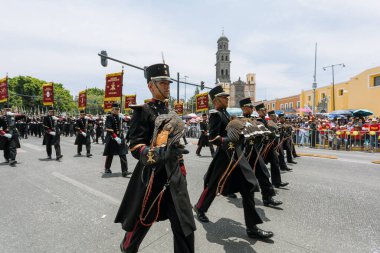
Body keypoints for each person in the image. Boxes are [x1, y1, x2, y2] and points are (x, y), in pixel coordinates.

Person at [115, 63, 195, 253]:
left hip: (174, 174)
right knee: (143, 218)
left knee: (185, 224)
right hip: (152, 175)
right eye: (162, 83)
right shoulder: (143, 111)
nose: (167, 86)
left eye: (168, 82)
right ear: (151, 85)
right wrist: (153, 153)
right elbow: (134, 145)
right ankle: (128, 246)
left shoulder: (170, 112)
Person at [194, 86, 273, 240]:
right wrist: (228, 141)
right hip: (224, 158)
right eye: (224, 97)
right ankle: (200, 208)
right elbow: (213, 138)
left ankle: (252, 228)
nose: (227, 99)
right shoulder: (216, 115)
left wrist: (246, 135)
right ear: (216, 100)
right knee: (212, 185)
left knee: (248, 186)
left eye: (226, 97)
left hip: (235, 156)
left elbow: (234, 132)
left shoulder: (226, 113)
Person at [239, 98, 282, 207]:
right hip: (243, 152)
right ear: (244, 108)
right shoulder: (239, 120)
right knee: (235, 174)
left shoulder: (254, 119)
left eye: (252, 107)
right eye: (250, 107)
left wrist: (268, 134)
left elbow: (261, 129)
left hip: (254, 150)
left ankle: (267, 197)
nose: (252, 108)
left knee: (263, 173)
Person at [256, 105, 290, 186]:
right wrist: (269, 135)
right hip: (262, 146)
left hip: (269, 145)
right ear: (258, 111)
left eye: (265, 109)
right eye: (263, 110)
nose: (265, 111)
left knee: (275, 161)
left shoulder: (265, 120)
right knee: (257, 167)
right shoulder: (258, 121)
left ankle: (276, 182)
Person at [103, 104, 130, 177]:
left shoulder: (120, 117)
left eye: (118, 109)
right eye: (116, 109)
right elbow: (108, 128)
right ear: (112, 110)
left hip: (120, 137)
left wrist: (125, 117)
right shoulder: (109, 117)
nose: (117, 110)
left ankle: (124, 171)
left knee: (123, 153)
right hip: (113, 138)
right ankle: (107, 168)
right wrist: (115, 137)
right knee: (110, 154)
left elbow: (129, 121)